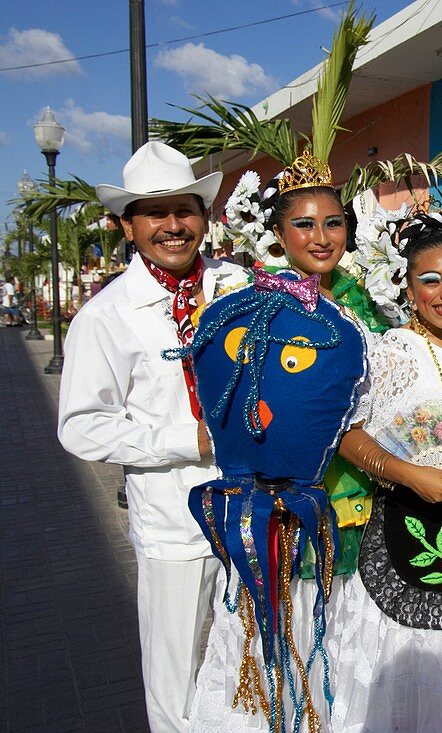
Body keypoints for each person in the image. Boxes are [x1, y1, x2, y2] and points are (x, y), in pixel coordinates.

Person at [187, 154, 387, 732]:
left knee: (336, 641)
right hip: (272, 508)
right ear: (278, 233)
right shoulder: (245, 306)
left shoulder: (367, 303)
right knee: (274, 638)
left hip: (350, 503)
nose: (321, 238)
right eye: (304, 224)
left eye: (333, 223)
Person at [57, 141, 247, 732]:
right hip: (175, 527)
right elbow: (81, 427)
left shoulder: (239, 286)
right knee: (177, 683)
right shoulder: (107, 315)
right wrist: (188, 438)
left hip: (251, 513)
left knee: (246, 673)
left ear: (204, 215)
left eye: (184, 209)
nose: (173, 225)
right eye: (155, 212)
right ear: (128, 225)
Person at [328, 212, 442, 733]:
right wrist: (407, 472)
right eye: (431, 280)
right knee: (414, 676)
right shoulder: (392, 352)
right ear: (407, 286)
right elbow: (348, 435)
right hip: (409, 523)